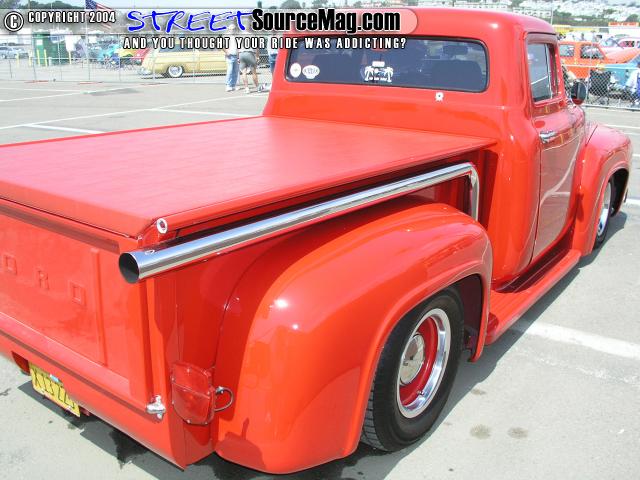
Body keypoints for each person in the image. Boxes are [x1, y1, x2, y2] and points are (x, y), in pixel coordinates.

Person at [223, 23, 239, 92]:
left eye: (234, 29)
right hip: (229, 56)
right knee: (230, 71)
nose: (233, 30)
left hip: (236, 56)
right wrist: (226, 52)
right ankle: (228, 85)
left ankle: (233, 85)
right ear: (229, 29)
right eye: (231, 29)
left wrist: (239, 56)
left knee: (235, 71)